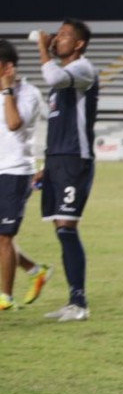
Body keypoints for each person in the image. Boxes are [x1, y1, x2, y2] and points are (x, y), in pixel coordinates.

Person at [35, 19, 99, 323]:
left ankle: (79, 303)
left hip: (76, 159)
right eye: (56, 35)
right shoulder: (63, 78)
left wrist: (41, 48)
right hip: (58, 160)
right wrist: (46, 166)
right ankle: (73, 301)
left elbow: (54, 78)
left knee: (66, 227)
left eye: (63, 36)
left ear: (79, 45)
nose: (57, 39)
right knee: (61, 230)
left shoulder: (83, 69)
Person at [0, 40, 51, 311]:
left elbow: (14, 124)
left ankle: (5, 297)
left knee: (5, 237)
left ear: (8, 67)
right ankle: (35, 270)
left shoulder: (28, 93)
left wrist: (7, 90)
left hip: (16, 171)